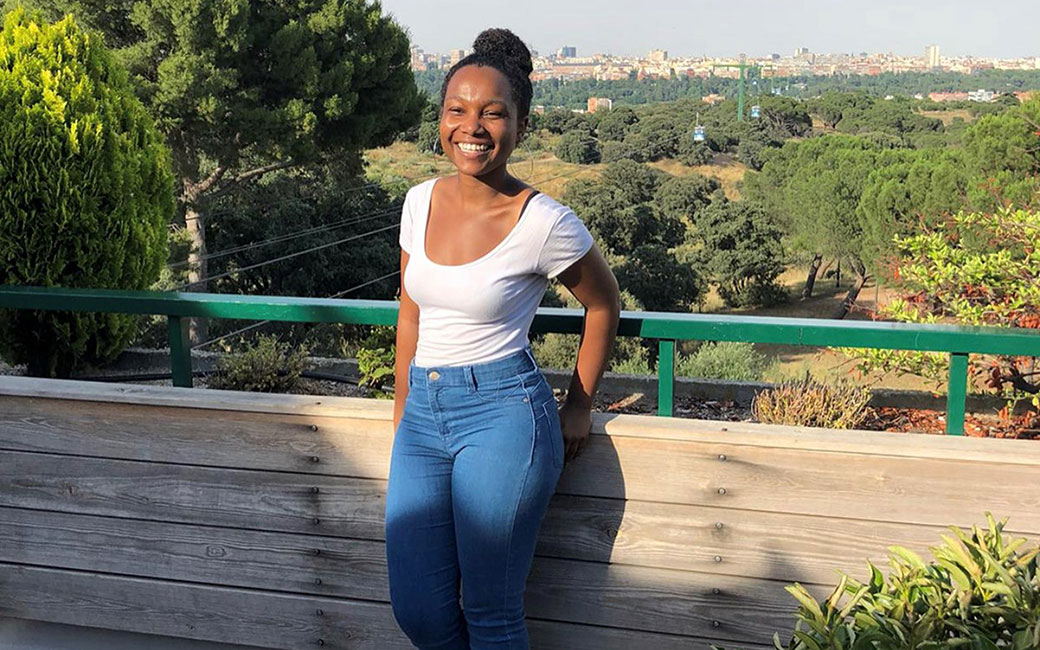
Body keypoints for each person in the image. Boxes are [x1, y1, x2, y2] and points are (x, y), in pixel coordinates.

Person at [385, 27, 621, 650]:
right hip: (423, 418)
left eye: (493, 113)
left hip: (503, 414)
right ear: (439, 118)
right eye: (457, 110)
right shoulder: (416, 203)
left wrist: (579, 403)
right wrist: (402, 401)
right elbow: (410, 311)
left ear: (521, 123)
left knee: (491, 611)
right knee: (419, 610)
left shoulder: (543, 222)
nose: (473, 126)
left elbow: (604, 303)